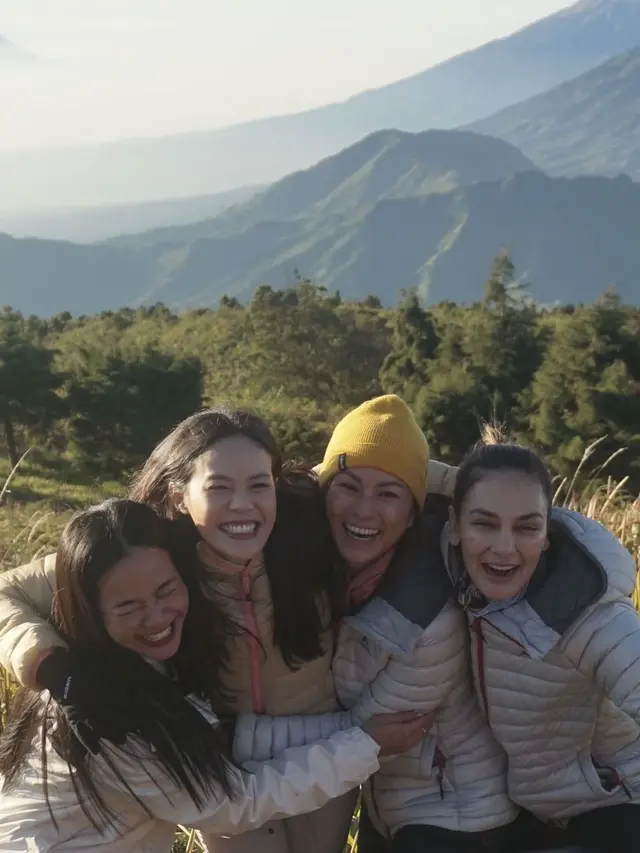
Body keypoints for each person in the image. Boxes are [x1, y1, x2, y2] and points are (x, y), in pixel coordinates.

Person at [0, 407, 455, 853]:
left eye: (259, 484)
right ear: (180, 496)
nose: (242, 503)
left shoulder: (304, 515)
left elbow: (384, 464)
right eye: (219, 487)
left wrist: (482, 480)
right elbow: (7, 591)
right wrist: (57, 672)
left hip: (321, 740)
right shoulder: (146, 550)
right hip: (221, 750)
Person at [231, 396, 518, 853]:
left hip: (456, 819)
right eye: (348, 486)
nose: (364, 511)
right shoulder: (335, 575)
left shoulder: (425, 618)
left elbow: (370, 733)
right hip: (395, 809)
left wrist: (232, 734)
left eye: (389, 494)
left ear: (411, 515)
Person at [444, 426, 640, 853]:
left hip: (615, 803)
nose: (504, 547)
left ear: (548, 534)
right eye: (484, 523)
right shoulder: (458, 578)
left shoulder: (583, 608)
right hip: (538, 810)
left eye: (526, 528)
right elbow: (400, 475)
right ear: (454, 526)